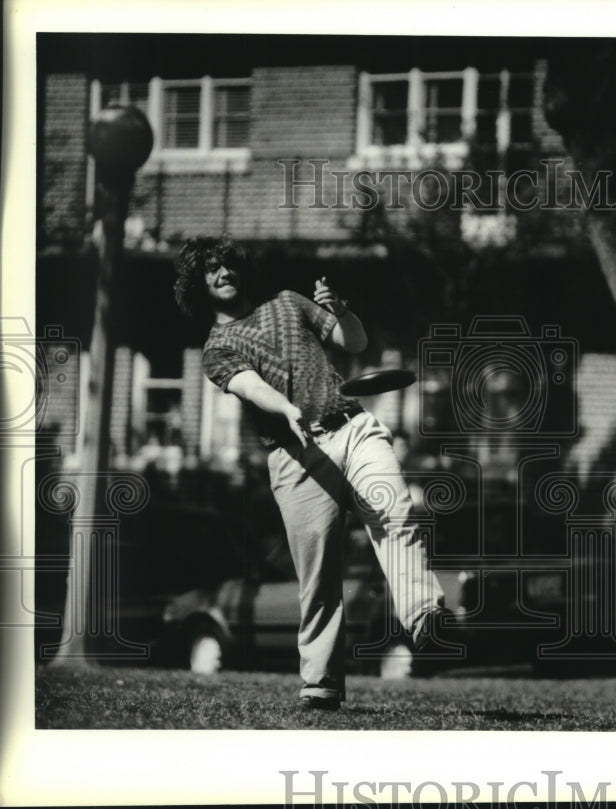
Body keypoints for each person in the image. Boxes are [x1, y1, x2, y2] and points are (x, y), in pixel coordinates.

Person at [174, 235, 450, 710]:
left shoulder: (287, 302)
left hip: (352, 426)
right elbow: (250, 384)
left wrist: (341, 311)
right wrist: (283, 408)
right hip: (294, 454)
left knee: (395, 511)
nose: (223, 273)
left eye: (227, 264)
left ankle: (424, 616)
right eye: (210, 269)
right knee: (318, 575)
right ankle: (321, 683)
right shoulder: (216, 348)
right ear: (198, 284)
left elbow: (356, 340)